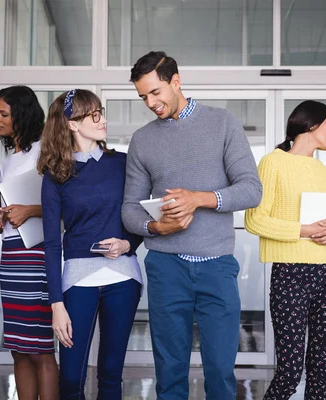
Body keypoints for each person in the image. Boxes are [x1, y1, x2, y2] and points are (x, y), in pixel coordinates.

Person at [121, 51, 262, 399]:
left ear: (176, 81)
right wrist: (156, 228)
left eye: (155, 92)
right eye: (143, 97)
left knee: (220, 370)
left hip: (216, 265)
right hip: (166, 267)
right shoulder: (142, 140)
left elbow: (251, 189)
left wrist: (198, 198)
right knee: (169, 371)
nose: (151, 103)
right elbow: (129, 209)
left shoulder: (222, 123)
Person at [39, 89, 143, 399]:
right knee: (70, 380)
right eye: (94, 115)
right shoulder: (55, 175)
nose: (103, 120)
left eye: (101, 112)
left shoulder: (123, 164)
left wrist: (127, 244)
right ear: (72, 124)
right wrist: (56, 304)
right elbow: (52, 243)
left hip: (123, 278)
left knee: (111, 376)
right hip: (78, 281)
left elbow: (139, 218)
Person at [244, 100, 326, 400]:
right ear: (311, 125)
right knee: (289, 371)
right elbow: (255, 220)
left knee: (320, 369)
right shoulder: (273, 162)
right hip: (291, 273)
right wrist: (304, 231)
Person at [0, 86, 58, 399]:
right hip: (12, 255)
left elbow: (66, 208)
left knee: (40, 347)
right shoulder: (9, 157)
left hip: (37, 257)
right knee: (18, 347)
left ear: (22, 115)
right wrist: (1, 218)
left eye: (4, 113)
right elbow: (11, 206)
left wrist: (28, 210)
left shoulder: (47, 152)